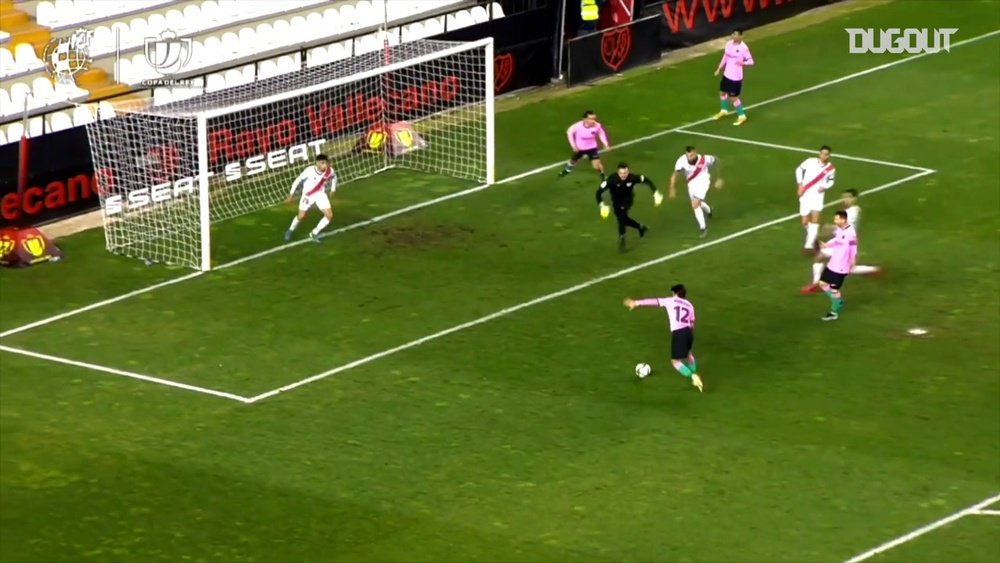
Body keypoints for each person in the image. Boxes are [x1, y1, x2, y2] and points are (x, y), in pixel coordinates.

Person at [623, 284, 704, 392]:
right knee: (688, 354)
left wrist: (636, 303)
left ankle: (692, 376)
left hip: (679, 333)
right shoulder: (690, 305)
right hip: (689, 332)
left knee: (675, 362)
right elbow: (692, 323)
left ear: (675, 293)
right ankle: (694, 372)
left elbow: (654, 301)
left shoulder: (671, 301)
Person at [802, 189, 881, 293]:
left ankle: (874, 270)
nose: (845, 199)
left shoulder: (853, 211)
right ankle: (816, 284)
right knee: (820, 257)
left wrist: (829, 229)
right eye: (844, 197)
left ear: (854, 198)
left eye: (848, 197)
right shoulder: (847, 211)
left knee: (847, 269)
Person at [596, 162, 661, 251]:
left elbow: (647, 180)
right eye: (622, 173)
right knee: (623, 218)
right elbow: (598, 193)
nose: (624, 175)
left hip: (627, 200)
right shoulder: (611, 180)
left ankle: (622, 241)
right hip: (616, 201)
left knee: (621, 219)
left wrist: (655, 193)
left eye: (626, 173)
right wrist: (601, 205)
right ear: (618, 173)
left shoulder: (632, 178)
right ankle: (640, 227)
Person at [669, 145, 723, 238]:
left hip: (703, 181)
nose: (691, 157)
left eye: (693, 155)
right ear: (686, 155)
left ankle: (703, 228)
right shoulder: (681, 161)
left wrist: (719, 178)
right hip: (691, 184)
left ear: (695, 152)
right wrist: (672, 189)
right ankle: (709, 210)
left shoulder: (704, 159)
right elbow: (674, 176)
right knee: (697, 203)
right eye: (689, 156)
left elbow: (716, 160)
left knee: (695, 204)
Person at [815, 210, 857, 321]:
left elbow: (853, 248)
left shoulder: (851, 233)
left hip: (841, 266)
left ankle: (834, 313)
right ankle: (838, 301)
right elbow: (837, 239)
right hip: (833, 263)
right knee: (823, 283)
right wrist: (827, 244)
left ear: (843, 219)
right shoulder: (840, 229)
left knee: (834, 290)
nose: (835, 221)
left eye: (837, 219)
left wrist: (852, 261)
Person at [285, 154, 336, 243]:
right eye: (323, 163)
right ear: (317, 163)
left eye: (326, 163)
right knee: (301, 216)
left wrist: (333, 189)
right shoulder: (309, 171)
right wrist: (291, 194)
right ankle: (290, 230)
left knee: (329, 215)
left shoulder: (329, 171)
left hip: (320, 194)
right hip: (308, 196)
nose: (325, 165)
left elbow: (334, 177)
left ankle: (314, 233)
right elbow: (297, 180)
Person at [796, 145, 836, 253]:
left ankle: (808, 246)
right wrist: (800, 185)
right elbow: (799, 170)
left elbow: (831, 181)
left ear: (829, 155)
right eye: (822, 153)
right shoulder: (810, 161)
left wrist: (824, 186)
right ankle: (814, 238)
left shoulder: (830, 169)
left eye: (826, 154)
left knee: (815, 219)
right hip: (805, 193)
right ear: (819, 153)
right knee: (805, 222)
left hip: (817, 196)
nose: (824, 156)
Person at [713, 30, 754, 126]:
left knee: (733, 97)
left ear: (740, 36)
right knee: (722, 92)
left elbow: (751, 61)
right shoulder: (729, 44)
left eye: (735, 34)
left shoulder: (744, 48)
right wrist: (719, 68)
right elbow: (725, 56)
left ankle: (742, 116)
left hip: (736, 76)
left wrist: (743, 63)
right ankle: (724, 110)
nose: (732, 36)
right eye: (732, 34)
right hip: (727, 74)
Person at [560, 110, 610, 179]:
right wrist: (573, 146)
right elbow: (569, 132)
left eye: (594, 119)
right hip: (580, 148)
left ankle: (602, 174)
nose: (593, 121)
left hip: (592, 148)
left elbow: (601, 133)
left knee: (596, 165)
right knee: (573, 160)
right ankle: (568, 169)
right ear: (585, 119)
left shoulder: (597, 125)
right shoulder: (577, 126)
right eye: (591, 119)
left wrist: (605, 143)